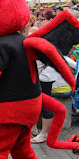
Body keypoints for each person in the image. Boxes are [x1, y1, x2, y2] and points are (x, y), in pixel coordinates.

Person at [31, 9, 58, 142]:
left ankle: (44, 134)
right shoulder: (40, 34)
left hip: (47, 74)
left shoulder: (54, 35)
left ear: (50, 20)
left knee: (45, 104)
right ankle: (34, 129)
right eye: (38, 19)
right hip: (38, 73)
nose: (39, 22)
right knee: (36, 102)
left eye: (42, 19)